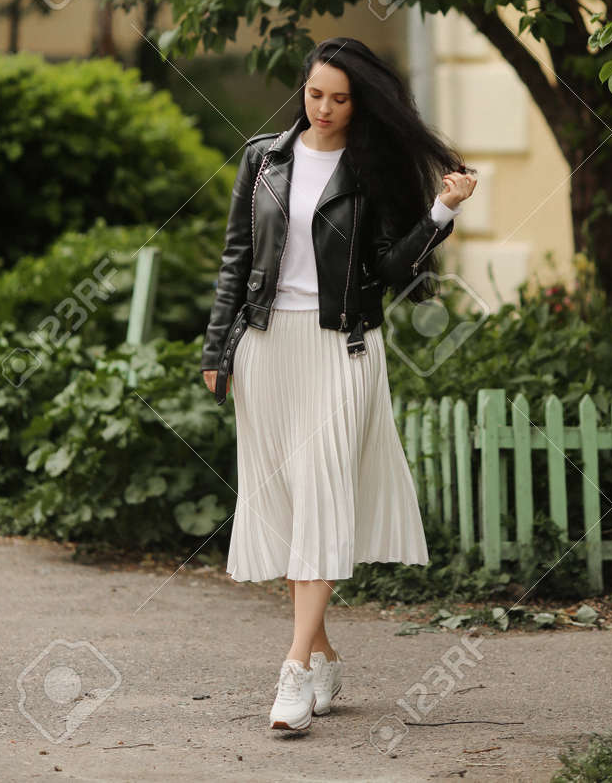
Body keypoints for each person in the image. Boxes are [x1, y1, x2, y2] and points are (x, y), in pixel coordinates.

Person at [200, 36, 477, 733]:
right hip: (266, 348)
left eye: (339, 98)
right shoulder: (262, 158)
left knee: (322, 494)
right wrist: (217, 347)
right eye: (314, 94)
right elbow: (237, 256)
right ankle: (322, 652)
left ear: (361, 103)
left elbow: (390, 269)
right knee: (292, 510)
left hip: (341, 348)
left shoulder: (373, 169)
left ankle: (293, 670)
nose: (322, 108)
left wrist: (441, 213)